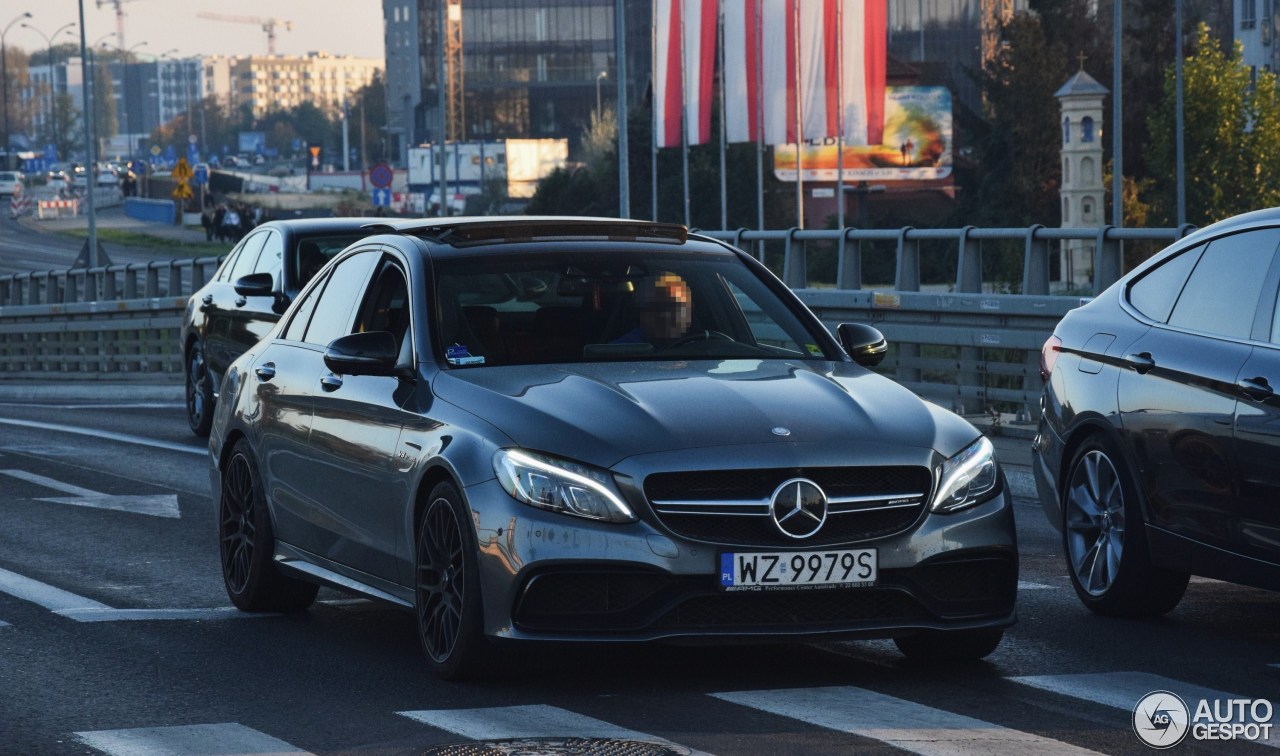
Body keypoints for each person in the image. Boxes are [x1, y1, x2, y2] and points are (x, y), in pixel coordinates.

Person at [613, 272, 692, 346]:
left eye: (673, 306)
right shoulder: (624, 349)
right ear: (640, 314)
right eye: (658, 308)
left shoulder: (697, 342)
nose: (666, 314)